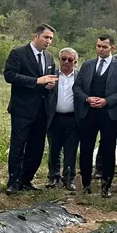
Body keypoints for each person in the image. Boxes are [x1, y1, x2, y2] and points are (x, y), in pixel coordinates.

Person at [73, 35, 117, 197]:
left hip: (109, 114)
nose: (100, 49)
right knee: (85, 149)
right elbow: (76, 87)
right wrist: (87, 98)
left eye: (104, 47)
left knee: (108, 150)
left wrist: (107, 101)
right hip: (88, 113)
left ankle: (106, 186)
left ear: (112, 49)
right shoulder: (88, 65)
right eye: (98, 46)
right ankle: (85, 185)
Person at [3, 24, 58, 193]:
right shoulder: (18, 53)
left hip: (42, 110)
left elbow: (49, 79)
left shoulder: (49, 58)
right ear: (36, 36)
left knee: (36, 147)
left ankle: (27, 180)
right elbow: (9, 75)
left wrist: (49, 85)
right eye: (46, 37)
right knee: (18, 146)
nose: (48, 41)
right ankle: (14, 181)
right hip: (23, 109)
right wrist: (36, 81)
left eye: (50, 39)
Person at [45, 47, 80, 190]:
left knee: (71, 150)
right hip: (54, 117)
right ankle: (53, 177)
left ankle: (69, 178)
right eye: (63, 59)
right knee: (54, 149)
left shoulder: (80, 77)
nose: (66, 62)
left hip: (73, 118)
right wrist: (46, 87)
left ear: (75, 62)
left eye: (70, 59)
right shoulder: (50, 76)